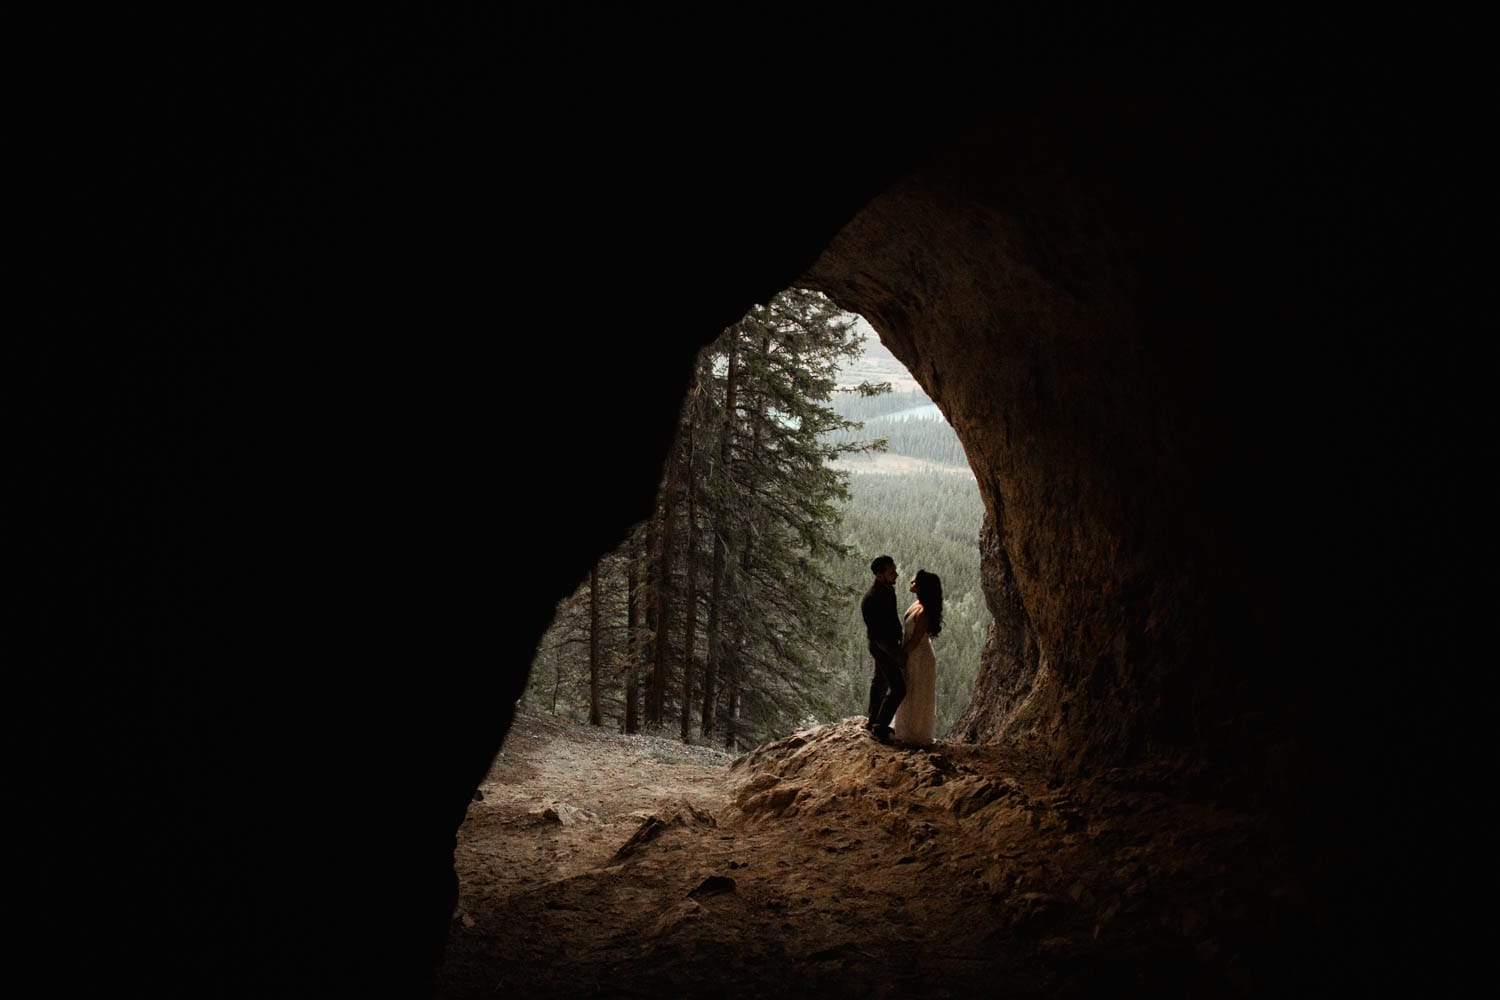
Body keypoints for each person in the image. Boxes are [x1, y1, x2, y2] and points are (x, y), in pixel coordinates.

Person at [892, 569, 942, 746]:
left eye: (915, 581)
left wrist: (900, 655)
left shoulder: (923, 612)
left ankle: (914, 735)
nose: (911, 582)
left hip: (919, 657)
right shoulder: (918, 604)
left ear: (922, 587)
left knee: (917, 693)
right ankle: (905, 731)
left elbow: (915, 640)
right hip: (913, 654)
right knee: (910, 691)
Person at [861, 555, 906, 743]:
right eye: (892, 572)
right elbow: (879, 634)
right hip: (883, 648)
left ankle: (873, 720)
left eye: (895, 570)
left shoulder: (885, 590)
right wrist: (896, 654)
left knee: (880, 681)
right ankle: (880, 728)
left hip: (883, 646)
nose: (896, 574)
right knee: (898, 688)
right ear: (880, 575)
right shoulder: (873, 598)